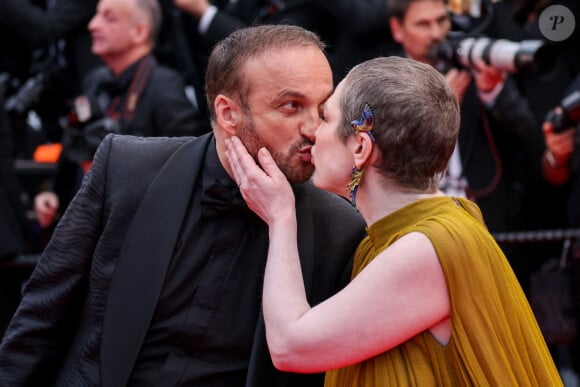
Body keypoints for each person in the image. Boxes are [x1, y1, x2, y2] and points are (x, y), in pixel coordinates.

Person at [0, 24, 366, 386]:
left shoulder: (338, 229)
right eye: (292, 106)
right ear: (228, 113)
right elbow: (40, 318)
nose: (313, 129)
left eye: (321, 108)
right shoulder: (127, 169)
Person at [225, 55, 562, 385]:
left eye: (326, 117)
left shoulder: (426, 247)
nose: (313, 131)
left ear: (360, 147)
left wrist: (281, 218)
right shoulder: (426, 230)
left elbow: (290, 347)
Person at [387, 0, 550, 290]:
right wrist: (442, 108)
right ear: (397, 30)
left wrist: (494, 92)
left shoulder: (470, 69)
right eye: (423, 24)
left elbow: (535, 143)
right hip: (416, 234)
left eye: (442, 21)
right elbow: (389, 166)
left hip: (489, 230)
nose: (436, 33)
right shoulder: (385, 84)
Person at [33, 0, 205, 230]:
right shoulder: (95, 81)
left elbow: (190, 170)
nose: (93, 25)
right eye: (95, 16)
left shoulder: (164, 88)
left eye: (109, 18)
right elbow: (74, 149)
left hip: (141, 230)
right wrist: (52, 194)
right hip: (88, 226)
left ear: (139, 31)